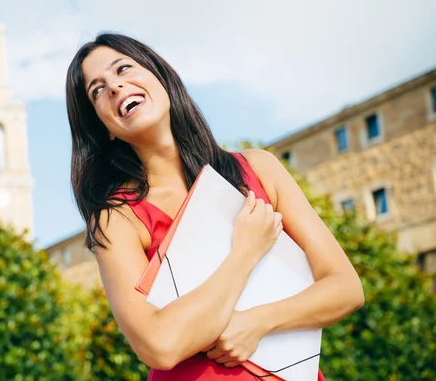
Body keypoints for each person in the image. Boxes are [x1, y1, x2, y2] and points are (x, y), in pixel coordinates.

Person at [65, 33, 364, 380]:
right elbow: (158, 345)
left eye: (123, 68)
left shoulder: (259, 169)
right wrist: (246, 252)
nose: (114, 87)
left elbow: (345, 288)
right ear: (104, 128)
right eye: (97, 90)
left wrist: (256, 322)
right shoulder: (117, 218)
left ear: (161, 77)